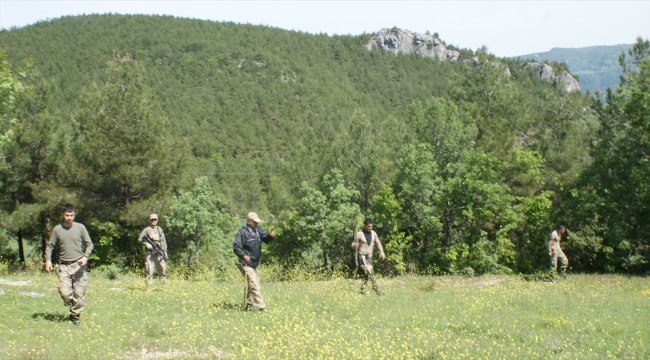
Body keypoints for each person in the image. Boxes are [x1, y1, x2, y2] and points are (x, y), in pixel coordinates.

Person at [44, 203, 94, 326]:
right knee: (64, 292)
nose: (69, 218)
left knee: (79, 293)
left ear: (74, 215)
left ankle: (75, 317)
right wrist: (48, 260)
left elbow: (89, 244)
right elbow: (50, 246)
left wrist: (85, 257)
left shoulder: (80, 227)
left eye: (71, 215)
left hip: (78, 265)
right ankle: (74, 305)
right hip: (63, 266)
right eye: (67, 215)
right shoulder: (57, 229)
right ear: (63, 215)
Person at [233, 212, 275, 312]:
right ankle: (262, 307)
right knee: (254, 285)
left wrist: (270, 236)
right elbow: (236, 247)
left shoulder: (257, 230)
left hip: (255, 263)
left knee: (255, 284)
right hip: (246, 264)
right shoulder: (242, 232)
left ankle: (249, 305)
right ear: (249, 221)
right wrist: (243, 255)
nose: (257, 223)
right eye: (255, 222)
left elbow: (265, 238)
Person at [351, 218, 386, 295]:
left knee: (367, 274)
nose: (370, 228)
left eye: (371, 226)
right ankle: (378, 290)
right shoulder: (359, 234)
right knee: (370, 272)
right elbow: (353, 244)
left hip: (369, 257)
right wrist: (355, 245)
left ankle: (362, 291)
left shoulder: (373, 233)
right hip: (362, 256)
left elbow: (378, 243)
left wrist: (382, 252)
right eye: (369, 226)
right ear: (365, 226)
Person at [138, 213, 168, 286]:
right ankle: (149, 287)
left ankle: (163, 286)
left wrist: (165, 251)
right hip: (150, 252)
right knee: (149, 269)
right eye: (152, 219)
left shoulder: (159, 229)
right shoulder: (146, 229)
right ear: (150, 220)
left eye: (155, 219)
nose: (153, 221)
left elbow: (163, 241)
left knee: (163, 268)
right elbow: (139, 239)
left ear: (157, 220)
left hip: (160, 251)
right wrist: (146, 244)